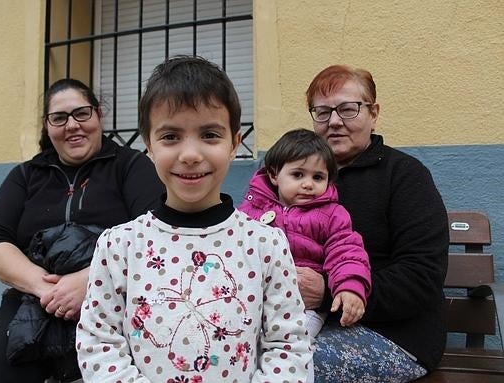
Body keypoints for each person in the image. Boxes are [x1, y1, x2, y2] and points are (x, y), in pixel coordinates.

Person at [76, 55, 311, 382]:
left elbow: (288, 346)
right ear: (149, 147)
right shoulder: (119, 247)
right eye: (170, 137)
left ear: (234, 143)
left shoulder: (265, 244)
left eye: (210, 135)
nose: (190, 154)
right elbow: (99, 342)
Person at [0, 78, 165, 383]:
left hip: (114, 299)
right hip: (32, 300)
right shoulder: (25, 176)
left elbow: (154, 232)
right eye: (59, 118)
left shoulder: (131, 166)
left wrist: (89, 281)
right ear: (47, 126)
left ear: (98, 116)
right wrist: (47, 289)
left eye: (82, 113)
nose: (72, 125)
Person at [302, 64, 449, 382]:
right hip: (304, 322)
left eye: (348, 109)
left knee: (287, 367)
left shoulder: (405, 176)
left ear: (373, 113)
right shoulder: (298, 177)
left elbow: (420, 277)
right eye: (323, 112)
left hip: (394, 336)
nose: (335, 122)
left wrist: (328, 293)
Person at [238, 128, 371, 337]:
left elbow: (346, 252)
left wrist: (350, 287)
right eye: (298, 174)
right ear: (274, 175)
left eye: (318, 177)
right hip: (254, 299)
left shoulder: (332, 215)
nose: (308, 184)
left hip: (304, 305)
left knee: (294, 343)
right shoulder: (252, 209)